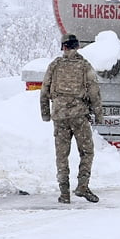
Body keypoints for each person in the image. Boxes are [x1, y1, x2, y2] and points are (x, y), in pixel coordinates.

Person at [40, 34, 102, 204]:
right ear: (78, 46)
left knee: (62, 155)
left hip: (59, 117)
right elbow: (94, 92)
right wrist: (98, 114)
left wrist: (46, 114)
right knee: (87, 152)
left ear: (63, 47)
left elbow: (44, 91)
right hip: (79, 116)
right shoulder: (85, 66)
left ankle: (64, 193)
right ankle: (82, 185)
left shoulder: (54, 65)